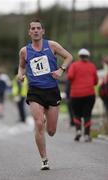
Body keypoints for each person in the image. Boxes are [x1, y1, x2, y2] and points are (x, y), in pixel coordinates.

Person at [17, 19, 72, 170]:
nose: (35, 30)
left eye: (38, 28)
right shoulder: (24, 51)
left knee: (52, 131)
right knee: (39, 123)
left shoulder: (52, 45)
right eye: (33, 28)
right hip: (35, 90)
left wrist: (61, 70)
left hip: (52, 90)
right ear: (29, 32)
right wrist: (20, 75)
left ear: (43, 31)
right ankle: (44, 159)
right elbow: (21, 67)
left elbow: (69, 56)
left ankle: (46, 120)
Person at [67, 48, 98, 142]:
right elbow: (96, 81)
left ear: (79, 56)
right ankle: (87, 135)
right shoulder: (92, 66)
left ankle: (78, 131)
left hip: (76, 94)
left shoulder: (74, 65)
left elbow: (70, 77)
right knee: (87, 114)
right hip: (89, 94)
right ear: (88, 57)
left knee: (76, 114)